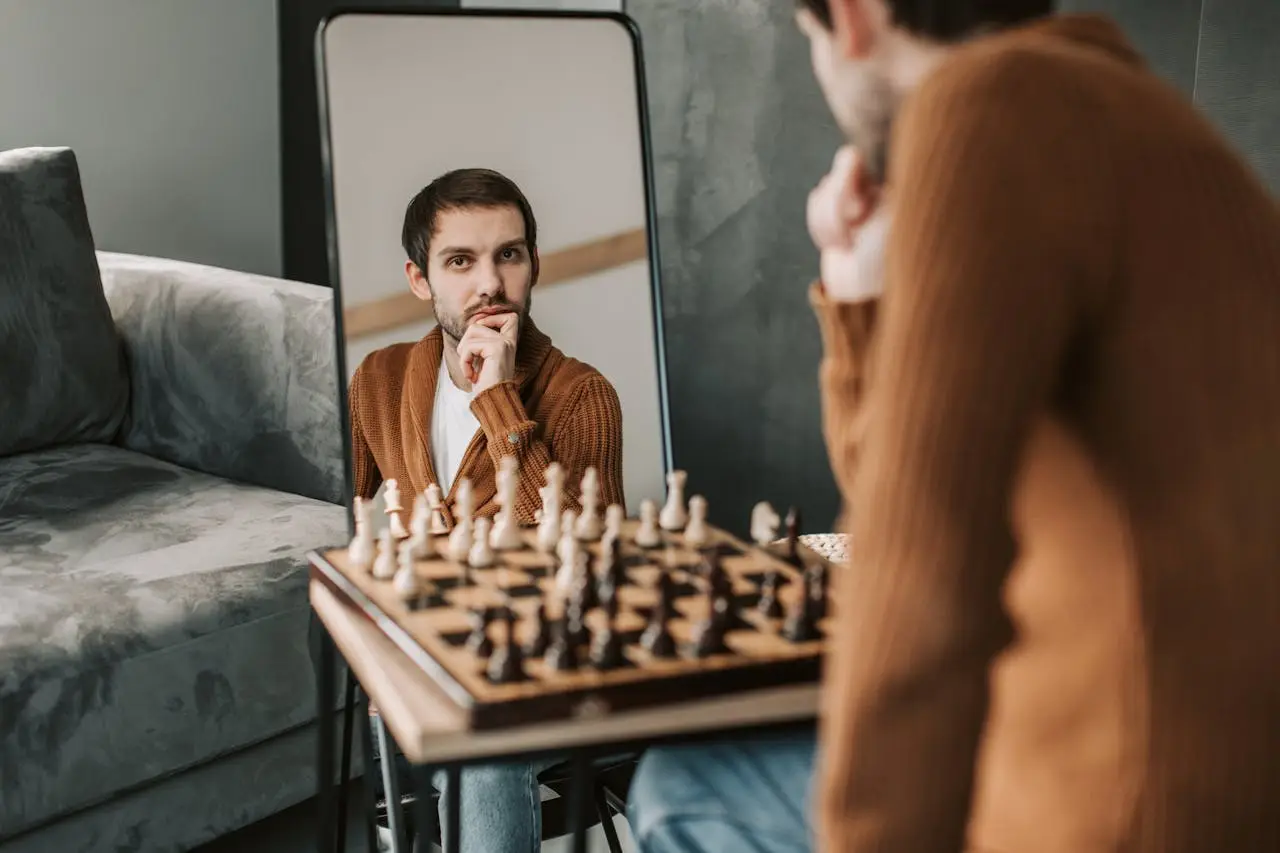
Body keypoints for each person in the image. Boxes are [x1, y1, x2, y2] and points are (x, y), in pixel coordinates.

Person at [628, 1, 1280, 852]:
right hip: (1223, 788)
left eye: (809, 36)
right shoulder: (1147, 120)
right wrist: (859, 293)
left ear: (854, 18)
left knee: (686, 786)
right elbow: (921, 478)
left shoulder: (984, 108)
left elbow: (920, 561)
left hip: (1109, 806)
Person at [349, 167, 625, 852]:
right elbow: (333, 513)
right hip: (429, 652)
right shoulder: (379, 379)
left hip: (549, 659)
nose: (490, 284)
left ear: (535, 264)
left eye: (509, 254)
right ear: (421, 279)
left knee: (484, 739)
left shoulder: (583, 394)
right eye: (460, 260)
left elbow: (586, 563)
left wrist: (498, 401)